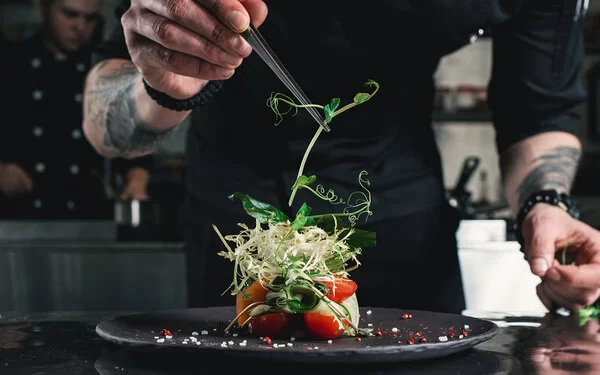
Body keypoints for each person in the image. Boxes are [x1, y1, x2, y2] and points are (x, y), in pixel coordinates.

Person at [82, 0, 600, 314]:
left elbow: (539, 108)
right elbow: (105, 123)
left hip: (406, 233)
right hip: (237, 236)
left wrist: (546, 202)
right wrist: (165, 88)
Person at [0, 0, 152, 220]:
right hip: (19, 216)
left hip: (87, 213)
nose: (79, 26)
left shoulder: (107, 70)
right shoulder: (10, 63)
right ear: (44, 9)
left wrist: (136, 182)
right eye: (70, 15)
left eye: (89, 19)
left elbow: (134, 143)